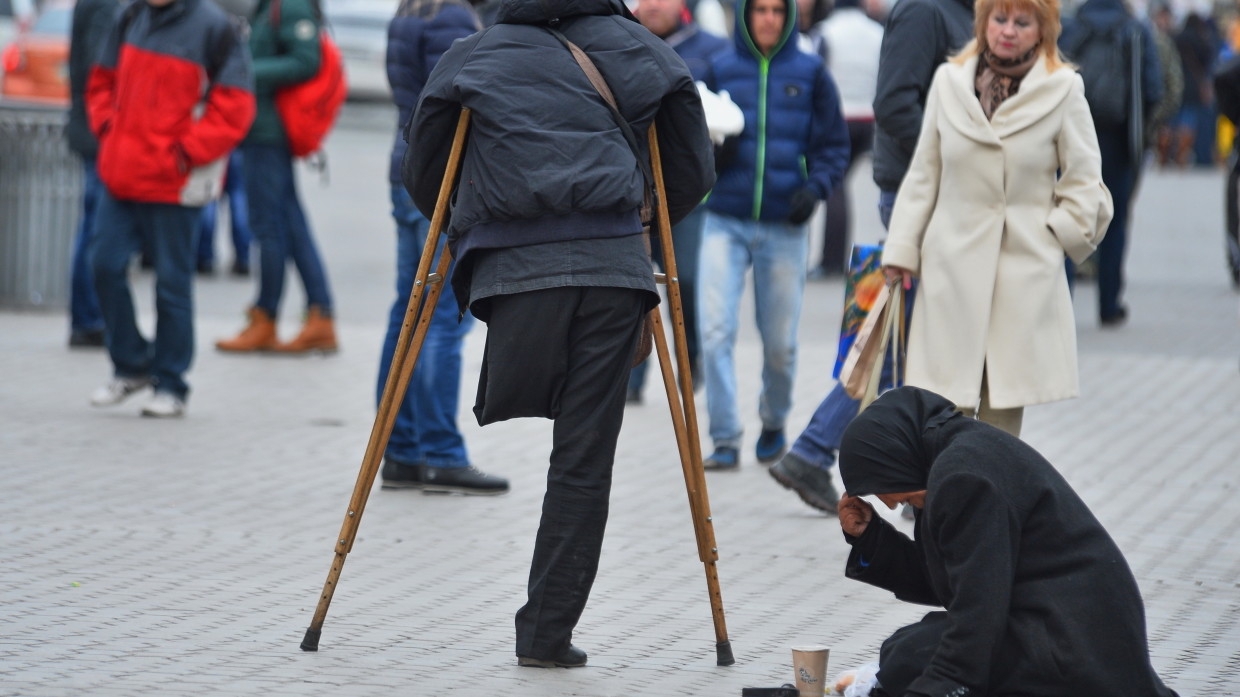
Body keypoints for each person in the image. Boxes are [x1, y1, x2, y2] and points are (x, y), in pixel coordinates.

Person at [404, 0, 714, 668]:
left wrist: (472, 230)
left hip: (515, 280)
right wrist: (647, 220)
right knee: (583, 456)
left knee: (564, 432)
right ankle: (546, 630)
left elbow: (424, 171)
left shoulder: (474, 52)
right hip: (611, 267)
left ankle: (545, 626)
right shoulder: (640, 49)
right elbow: (692, 162)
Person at [835, 386, 1181, 697]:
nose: (894, 505)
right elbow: (957, 581)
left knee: (912, 656)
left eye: (906, 499)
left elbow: (978, 611)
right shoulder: (949, 461)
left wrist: (937, 688)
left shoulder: (963, 476)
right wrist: (871, 538)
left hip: (1074, 647)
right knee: (905, 650)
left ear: (899, 458)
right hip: (1056, 629)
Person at [767, 0, 972, 512]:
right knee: (900, 347)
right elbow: (897, 103)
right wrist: (971, 152)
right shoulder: (927, 11)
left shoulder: (971, 14)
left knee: (900, 343)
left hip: (945, 196)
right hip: (919, 194)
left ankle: (825, 454)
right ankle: (850, 462)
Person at [881, 0, 1113, 436]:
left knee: (999, 426)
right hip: (950, 269)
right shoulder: (949, 82)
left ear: (1043, 29)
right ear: (983, 23)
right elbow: (924, 175)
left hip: (1021, 275)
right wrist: (902, 250)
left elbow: (1086, 181)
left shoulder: (1063, 89)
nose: (1007, 31)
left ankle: (987, 503)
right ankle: (937, 503)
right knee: (940, 410)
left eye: (1022, 22)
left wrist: (1054, 237)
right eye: (999, 19)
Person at [697, 0, 850, 470]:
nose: (768, 19)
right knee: (715, 330)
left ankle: (774, 419)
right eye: (759, 10)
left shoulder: (810, 73)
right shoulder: (719, 69)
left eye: (776, 11)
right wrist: (713, 156)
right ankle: (724, 439)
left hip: (785, 226)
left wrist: (816, 188)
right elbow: (693, 138)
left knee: (780, 342)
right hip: (724, 220)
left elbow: (834, 146)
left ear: (788, 18)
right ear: (744, 16)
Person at [86, 0, 256, 418]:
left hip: (173, 181)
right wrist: (108, 127)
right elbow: (101, 81)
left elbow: (236, 104)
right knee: (104, 265)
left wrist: (186, 153)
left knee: (172, 285)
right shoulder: (129, 16)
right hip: (122, 172)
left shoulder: (214, 27)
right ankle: (132, 365)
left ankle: (172, 383)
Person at [376, 0, 509, 495]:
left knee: (405, 314)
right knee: (441, 322)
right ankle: (440, 452)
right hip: (440, 181)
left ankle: (400, 450)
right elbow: (458, 108)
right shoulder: (454, 16)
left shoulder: (412, 10)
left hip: (406, 169)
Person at [215, 0, 339, 354]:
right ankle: (320, 315)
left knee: (267, 227)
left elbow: (305, 61)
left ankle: (266, 317)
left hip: (269, 134)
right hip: (261, 131)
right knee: (290, 223)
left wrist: (246, 70)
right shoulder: (269, 6)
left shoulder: (289, 6)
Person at [626, 0, 729, 404]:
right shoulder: (617, 43)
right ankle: (631, 377)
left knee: (684, 281)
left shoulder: (711, 50)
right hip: (628, 191)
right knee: (631, 285)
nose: (653, 5)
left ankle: (689, 366)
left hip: (685, 196)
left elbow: (732, 114)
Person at [1060, 0, 1162, 328]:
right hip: (1120, 140)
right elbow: (1153, 87)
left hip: (1071, 138)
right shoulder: (1136, 28)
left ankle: (1063, 307)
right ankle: (1109, 304)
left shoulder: (1072, 27)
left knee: (1066, 221)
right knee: (1114, 222)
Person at [812, 0, 883, 277]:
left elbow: (816, 74)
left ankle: (831, 261)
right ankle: (836, 259)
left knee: (835, 188)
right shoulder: (876, 32)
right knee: (841, 186)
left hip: (838, 117)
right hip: (868, 118)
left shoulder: (826, 31)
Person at [65, 0, 121, 349]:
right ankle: (89, 319)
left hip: (94, 130)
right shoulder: (106, 5)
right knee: (98, 227)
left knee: (94, 225)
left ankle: (89, 318)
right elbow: (98, 69)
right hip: (100, 134)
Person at [195, 150, 253, 276]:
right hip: (238, 144)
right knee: (239, 199)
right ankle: (243, 257)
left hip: (213, 144)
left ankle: (205, 257)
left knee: (209, 197)